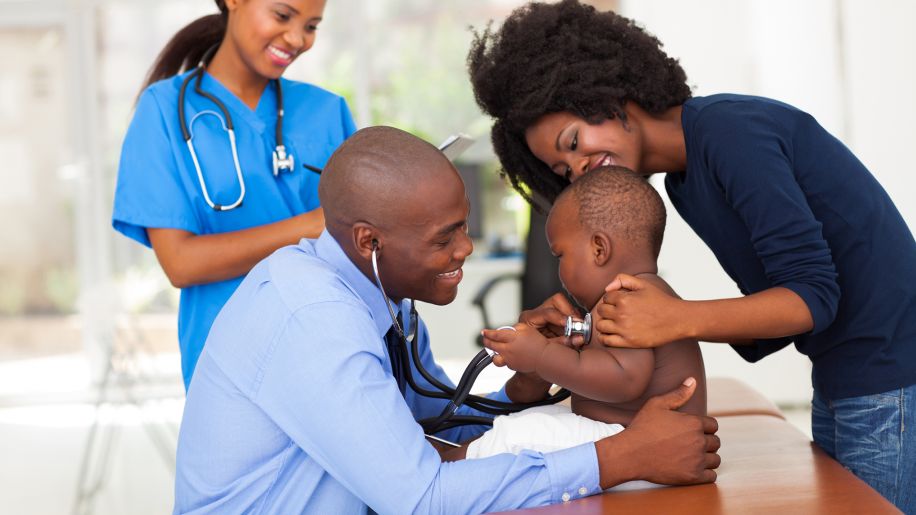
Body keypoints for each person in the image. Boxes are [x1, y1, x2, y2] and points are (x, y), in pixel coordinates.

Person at [466, 0, 916, 511]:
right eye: (564, 169)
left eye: (573, 140)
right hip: (848, 369)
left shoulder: (730, 134)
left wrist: (674, 320)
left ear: (605, 98)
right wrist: (594, 333)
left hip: (890, 368)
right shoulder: (684, 180)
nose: (579, 165)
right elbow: (785, 316)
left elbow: (812, 299)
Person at [172, 126, 720, 514]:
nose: (466, 248)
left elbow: (428, 425)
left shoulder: (383, 292)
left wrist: (525, 387)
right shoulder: (313, 321)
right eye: (444, 238)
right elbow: (421, 497)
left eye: (463, 226)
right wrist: (622, 457)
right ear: (371, 242)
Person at [111, 0, 355, 389]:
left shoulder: (326, 111)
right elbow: (181, 263)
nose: (296, 38)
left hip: (330, 346)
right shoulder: (162, 111)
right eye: (282, 15)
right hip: (227, 362)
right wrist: (311, 226)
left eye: (311, 26)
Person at [473, 166, 705, 461]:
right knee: (534, 419)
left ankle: (442, 467)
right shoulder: (636, 294)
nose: (559, 269)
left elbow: (624, 379)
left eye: (561, 255)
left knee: (515, 435)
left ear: (598, 249)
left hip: (643, 442)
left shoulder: (627, 300)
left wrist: (542, 356)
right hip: (631, 436)